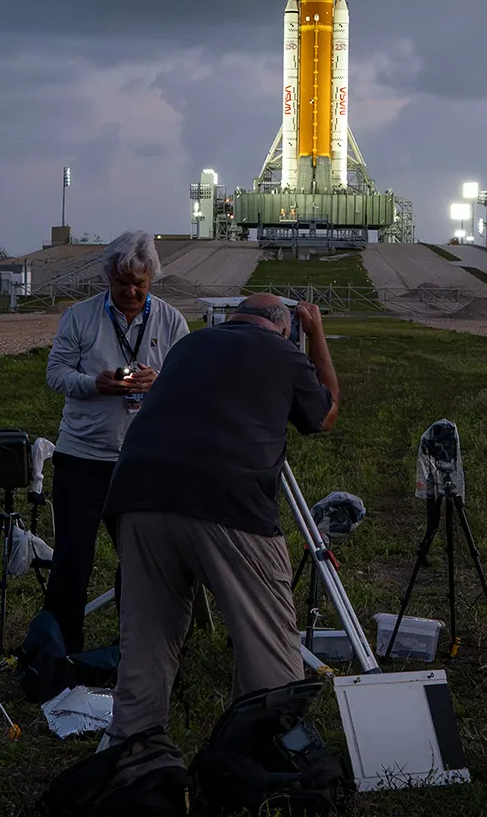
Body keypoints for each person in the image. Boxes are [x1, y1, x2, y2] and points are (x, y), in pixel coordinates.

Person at [102, 294, 339, 747]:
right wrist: (316, 336)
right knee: (268, 646)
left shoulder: (188, 347)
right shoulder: (285, 351)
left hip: (137, 495)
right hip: (230, 503)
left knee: (145, 644)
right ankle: (262, 756)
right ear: (284, 326)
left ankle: (130, 756)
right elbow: (323, 416)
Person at [42, 231, 188, 655]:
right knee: (72, 558)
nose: (130, 292)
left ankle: (135, 649)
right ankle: (63, 652)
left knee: (141, 562)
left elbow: (186, 382)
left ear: (151, 280)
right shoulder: (79, 317)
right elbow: (56, 374)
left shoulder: (171, 321)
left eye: (139, 284)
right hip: (82, 457)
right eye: (121, 282)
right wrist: (94, 384)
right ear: (107, 276)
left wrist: (158, 381)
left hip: (142, 460)